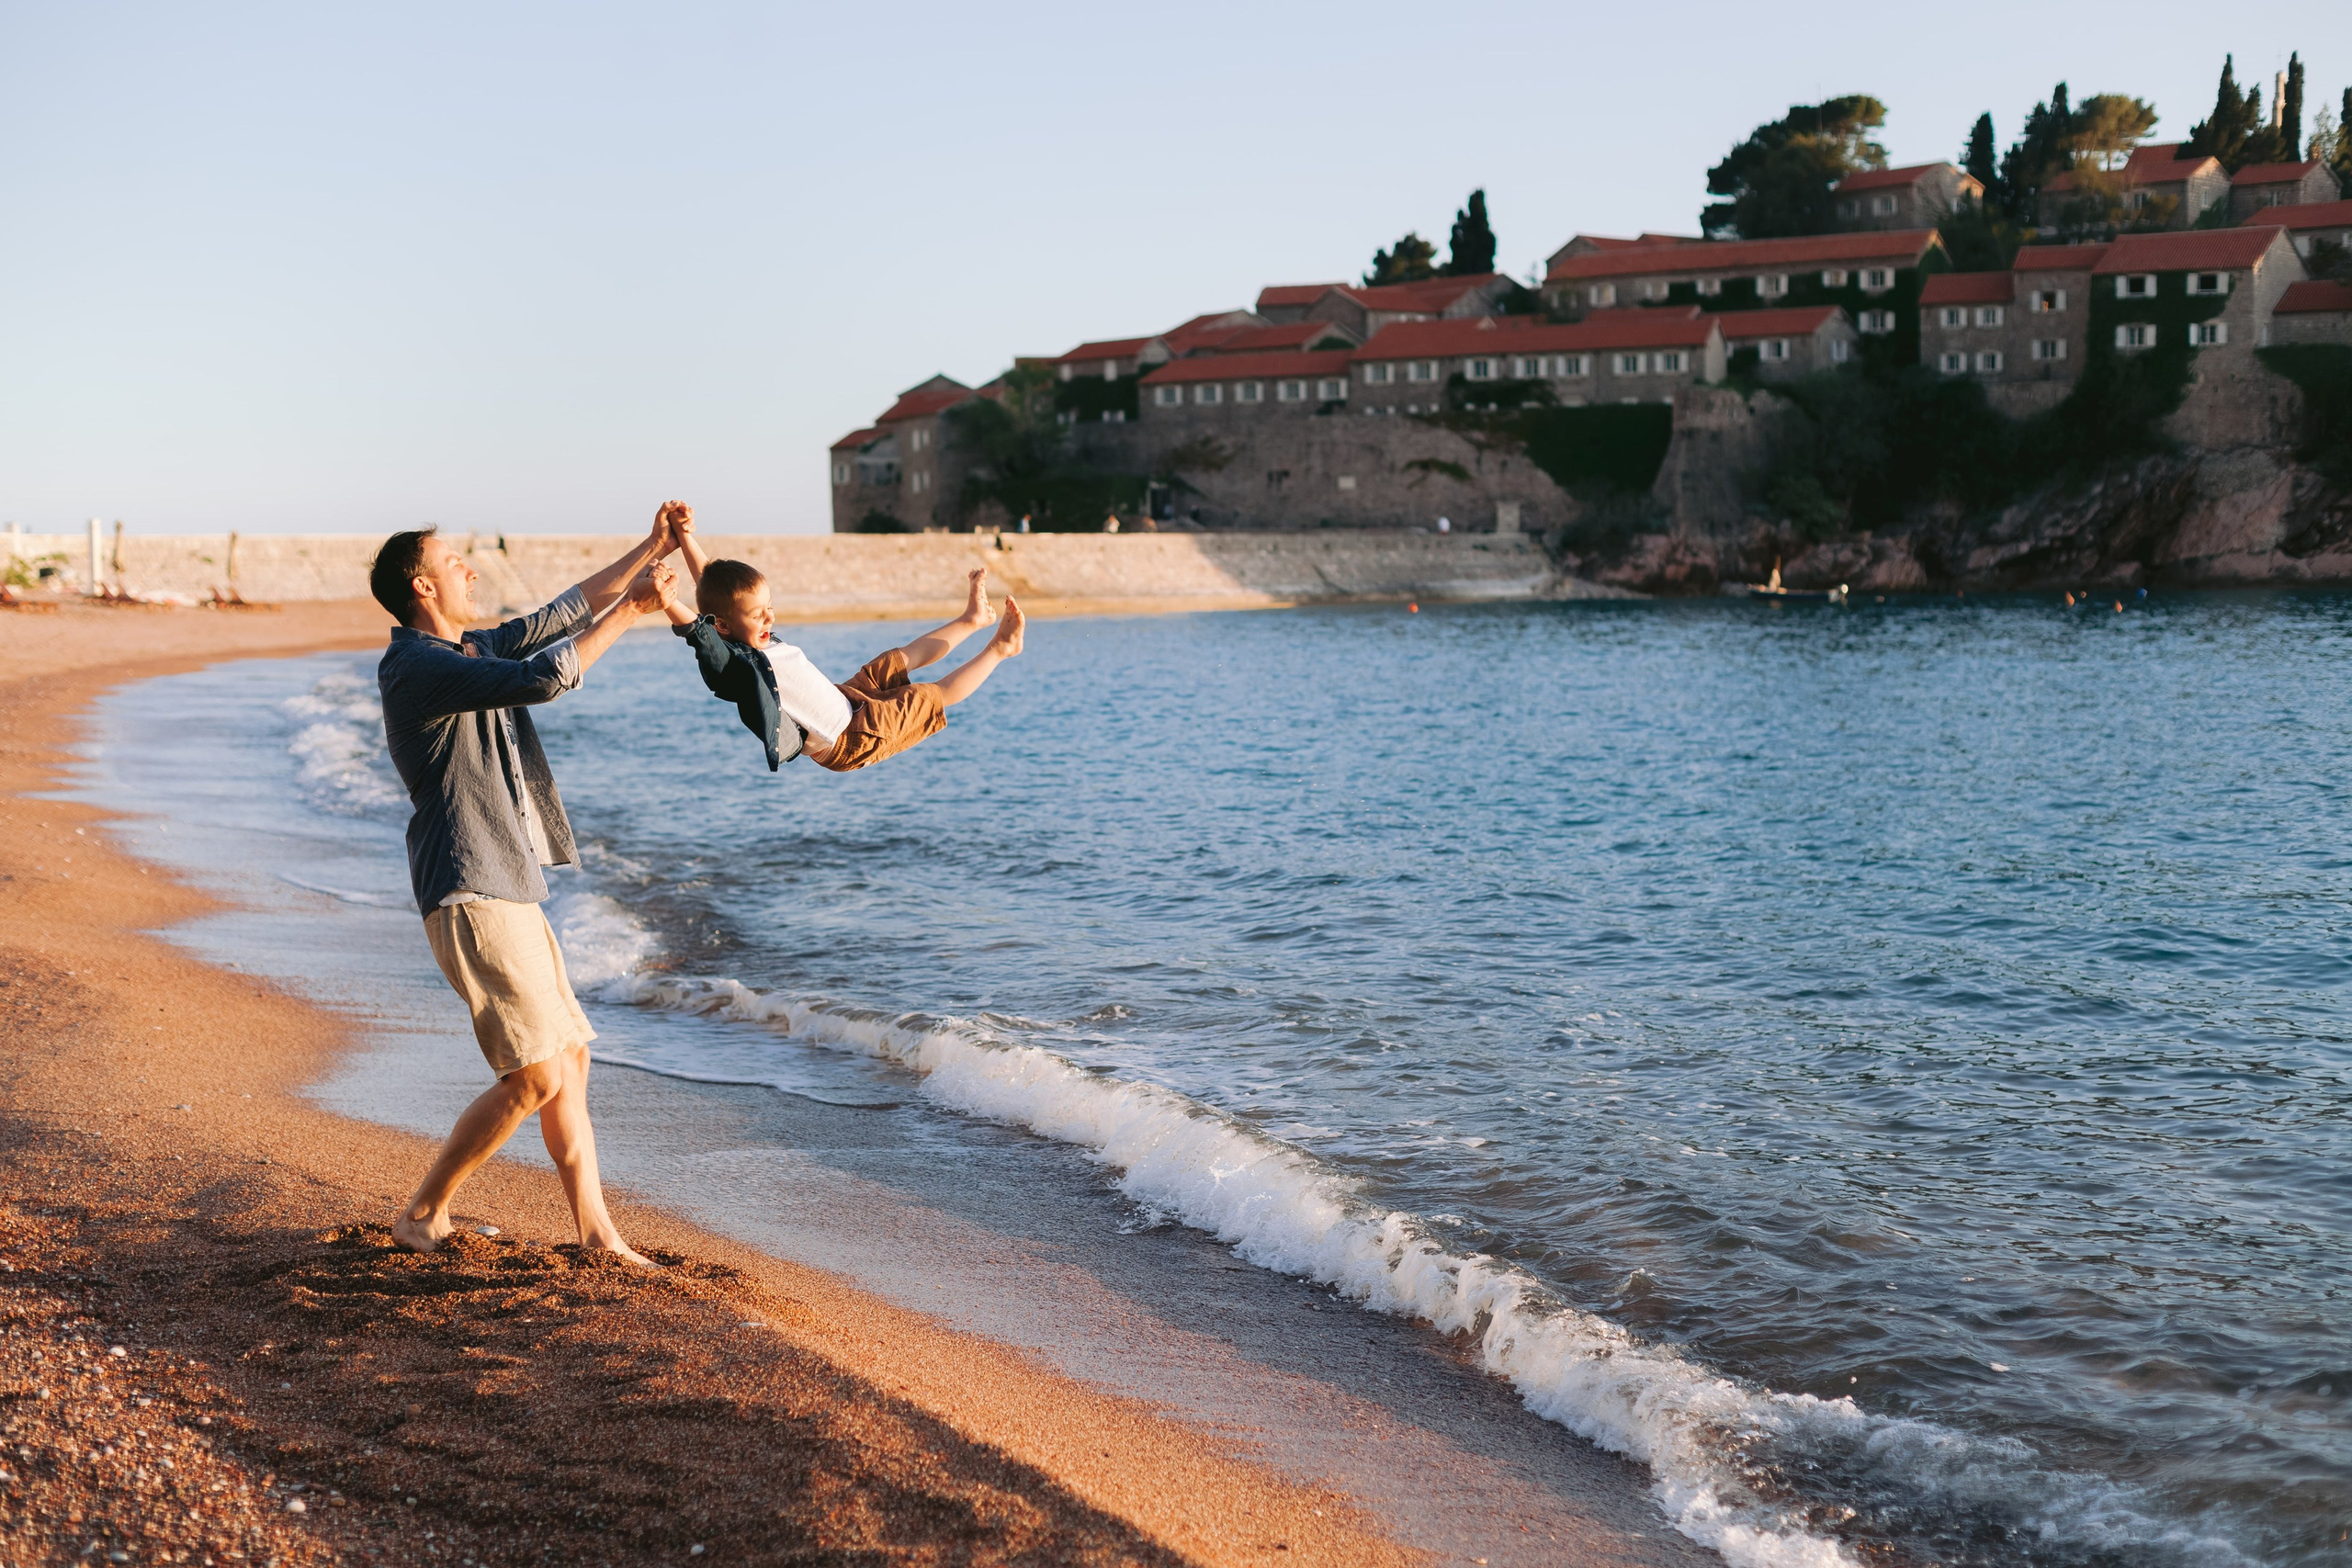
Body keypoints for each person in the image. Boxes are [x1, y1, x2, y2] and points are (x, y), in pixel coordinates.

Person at [372, 504, 682, 1261]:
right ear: (423, 584)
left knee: (569, 1060)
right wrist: (636, 611)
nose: (470, 569)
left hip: (507, 882)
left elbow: (561, 615)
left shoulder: (467, 645)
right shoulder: (417, 667)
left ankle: (598, 1234)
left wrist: (653, 547)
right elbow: (544, 678)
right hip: (469, 889)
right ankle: (422, 1213)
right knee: (535, 1076)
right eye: (455, 563)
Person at [662, 504, 1022, 773]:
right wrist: (666, 601)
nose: (770, 617)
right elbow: (700, 631)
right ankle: (1001, 649)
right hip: (849, 739)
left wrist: (685, 535)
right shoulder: (736, 664)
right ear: (723, 626)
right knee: (929, 695)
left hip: (847, 698)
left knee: (898, 659)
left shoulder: (756, 636)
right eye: (758, 615)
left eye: (769, 607)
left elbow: (712, 583)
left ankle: (972, 620)